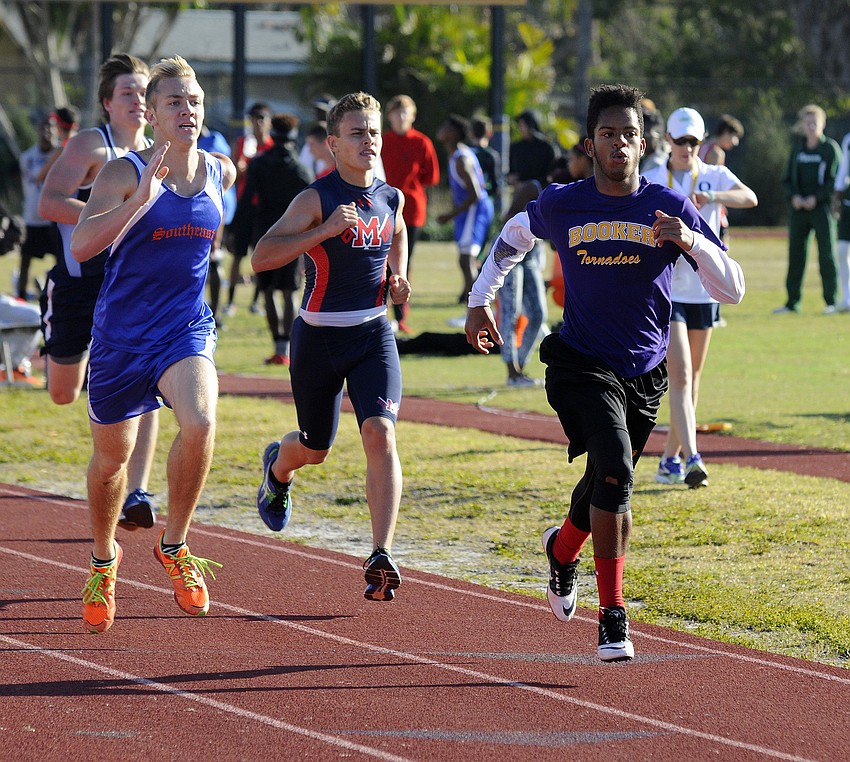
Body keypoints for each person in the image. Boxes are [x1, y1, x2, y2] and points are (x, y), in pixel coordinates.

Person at [464, 84, 745, 662]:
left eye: (630, 134)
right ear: (591, 143)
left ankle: (563, 551)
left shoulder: (667, 205)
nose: (620, 142)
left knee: (607, 480)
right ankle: (613, 618)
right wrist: (479, 300)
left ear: (646, 144)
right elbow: (515, 235)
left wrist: (690, 240)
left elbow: (732, 288)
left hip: (644, 373)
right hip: (581, 363)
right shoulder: (564, 202)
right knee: (615, 466)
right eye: (608, 133)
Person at [70, 55, 236, 634]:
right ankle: (102, 559)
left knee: (201, 421)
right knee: (111, 461)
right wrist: (140, 200)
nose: (186, 110)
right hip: (120, 337)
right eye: (174, 102)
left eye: (194, 101)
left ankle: (175, 544)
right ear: (154, 115)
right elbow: (83, 247)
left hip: (184, 327)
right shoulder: (121, 172)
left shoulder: (222, 171)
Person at [251, 92, 410, 601]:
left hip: (372, 334)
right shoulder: (314, 198)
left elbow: (399, 230)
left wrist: (398, 276)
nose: (369, 141)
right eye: (358, 133)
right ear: (333, 143)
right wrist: (324, 230)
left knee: (380, 433)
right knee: (315, 449)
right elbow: (262, 257)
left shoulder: (391, 196)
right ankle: (279, 467)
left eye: (374, 132)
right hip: (318, 337)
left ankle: (381, 552)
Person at [38, 53, 160, 532]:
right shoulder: (94, 144)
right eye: (127, 92)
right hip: (78, 283)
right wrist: (112, 213)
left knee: (148, 383)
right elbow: (49, 201)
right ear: (108, 103)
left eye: (144, 91)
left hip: (131, 286)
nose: (137, 100)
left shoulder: (157, 152)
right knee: (63, 394)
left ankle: (138, 491)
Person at [643, 107, 757, 488]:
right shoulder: (654, 177)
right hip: (668, 290)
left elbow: (750, 198)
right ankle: (693, 458)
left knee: (693, 379)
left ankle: (668, 460)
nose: (686, 148)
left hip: (705, 290)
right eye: (680, 141)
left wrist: (713, 195)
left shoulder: (711, 174)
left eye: (693, 141)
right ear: (668, 141)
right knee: (679, 375)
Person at [233, 112, 310, 365]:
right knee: (289, 291)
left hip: (264, 232)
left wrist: (238, 234)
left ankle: (277, 346)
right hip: (293, 234)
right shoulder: (300, 169)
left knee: (266, 290)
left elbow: (246, 203)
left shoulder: (258, 164)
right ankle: (286, 349)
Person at [381, 95, 439, 332]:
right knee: (381, 262)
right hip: (382, 208)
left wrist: (410, 189)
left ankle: (401, 315)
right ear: (390, 116)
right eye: (396, 112)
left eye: (405, 112)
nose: (400, 117)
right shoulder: (382, 141)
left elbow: (431, 176)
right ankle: (380, 312)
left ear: (412, 116)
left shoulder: (422, 142)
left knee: (403, 261)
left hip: (412, 210)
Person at [775, 104, 841, 315]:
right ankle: (792, 303)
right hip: (799, 211)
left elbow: (835, 180)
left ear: (823, 124)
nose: (811, 126)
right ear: (802, 125)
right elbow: (787, 180)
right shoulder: (798, 150)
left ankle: (831, 301)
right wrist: (794, 196)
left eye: (815, 122)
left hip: (821, 210)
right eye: (807, 122)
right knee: (796, 256)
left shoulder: (829, 149)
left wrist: (817, 198)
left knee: (827, 256)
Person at [436, 114, 494, 306]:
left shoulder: (461, 159)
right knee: (465, 259)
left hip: (475, 210)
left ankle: (476, 305)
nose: (441, 129)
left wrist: (449, 215)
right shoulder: (457, 154)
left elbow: (476, 193)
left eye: (446, 126)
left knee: (467, 258)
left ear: (453, 134)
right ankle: (473, 300)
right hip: (470, 210)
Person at [224, 101, 274, 316]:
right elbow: (232, 174)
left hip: (263, 208)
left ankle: (256, 300)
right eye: (254, 119)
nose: (257, 123)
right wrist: (240, 168)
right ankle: (231, 301)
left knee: (260, 255)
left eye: (261, 119)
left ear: (268, 122)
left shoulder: (273, 147)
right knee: (237, 254)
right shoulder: (243, 143)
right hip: (244, 207)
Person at [18, 113, 60, 300]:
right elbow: (33, 180)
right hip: (32, 217)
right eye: (43, 127)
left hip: (54, 219)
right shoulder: (27, 157)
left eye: (50, 126)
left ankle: (57, 294)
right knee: (25, 260)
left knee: (61, 260)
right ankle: (20, 295)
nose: (46, 131)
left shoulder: (64, 155)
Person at [198, 123, 237, 326]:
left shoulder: (213, 141)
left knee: (214, 259)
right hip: (210, 208)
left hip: (216, 207)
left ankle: (215, 313)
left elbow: (216, 184)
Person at [507, 109, 558, 187]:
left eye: (522, 125)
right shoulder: (516, 148)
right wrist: (510, 178)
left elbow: (553, 173)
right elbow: (511, 172)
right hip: (521, 192)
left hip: (542, 191)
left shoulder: (547, 147)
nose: (520, 129)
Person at [832, 127, 850, 312]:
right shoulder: (848, 139)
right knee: (843, 250)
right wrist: (837, 196)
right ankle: (847, 298)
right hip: (848, 202)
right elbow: (844, 168)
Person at [470, 115, 502, 214]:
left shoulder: (464, 153)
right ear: (489, 133)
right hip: (483, 203)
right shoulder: (491, 155)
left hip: (465, 204)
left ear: (471, 133)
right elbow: (495, 185)